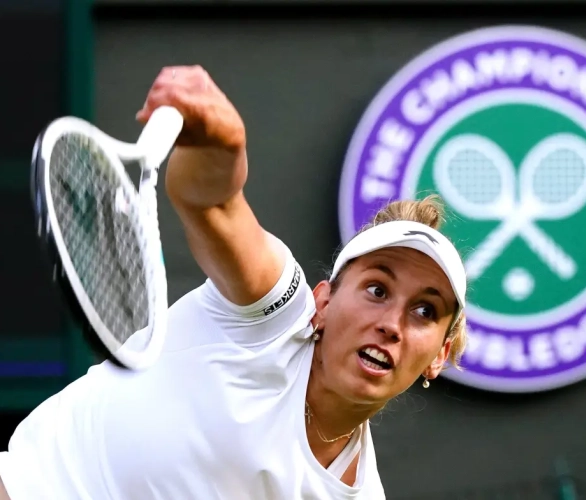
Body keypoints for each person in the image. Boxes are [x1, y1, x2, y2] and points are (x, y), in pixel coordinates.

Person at [0, 66, 468, 500]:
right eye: (376, 289)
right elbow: (212, 202)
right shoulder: (276, 314)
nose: (392, 324)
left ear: (440, 356)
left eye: (425, 311)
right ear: (321, 303)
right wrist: (220, 145)